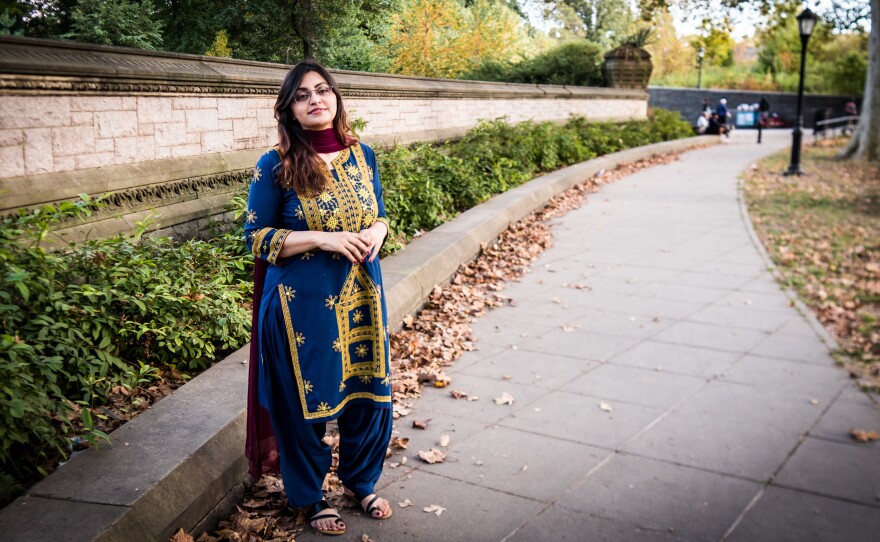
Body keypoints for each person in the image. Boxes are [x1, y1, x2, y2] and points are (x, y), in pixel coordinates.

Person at [244, 60, 393, 536]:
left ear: (336, 98)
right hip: (299, 307)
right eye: (303, 94)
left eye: (323, 90)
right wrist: (323, 239)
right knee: (304, 403)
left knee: (368, 395)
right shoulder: (276, 164)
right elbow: (257, 237)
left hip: (362, 298)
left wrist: (376, 231)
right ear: (289, 108)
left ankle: (361, 480)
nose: (315, 99)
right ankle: (311, 497)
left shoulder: (362, 155)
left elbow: (382, 215)